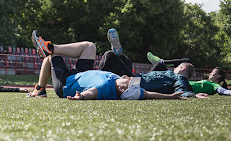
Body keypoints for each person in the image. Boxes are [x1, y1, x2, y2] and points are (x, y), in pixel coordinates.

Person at [28, 30, 183, 100]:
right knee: (90, 47)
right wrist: (170, 97)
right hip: (82, 74)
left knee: (52, 59)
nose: (130, 78)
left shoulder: (107, 86)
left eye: (128, 82)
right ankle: (49, 47)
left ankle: (39, 89)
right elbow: (148, 94)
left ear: (122, 89)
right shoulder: (120, 83)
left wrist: (81, 96)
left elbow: (93, 93)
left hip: (67, 83)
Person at [95, 30, 202, 98]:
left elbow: (181, 90)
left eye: (176, 67)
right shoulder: (172, 76)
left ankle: (95, 79)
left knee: (109, 55)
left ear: (182, 68)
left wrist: (192, 95)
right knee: (127, 61)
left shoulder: (180, 78)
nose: (174, 69)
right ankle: (117, 51)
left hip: (135, 82)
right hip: (138, 78)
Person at [148, 53, 231, 97]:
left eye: (213, 72)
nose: (210, 73)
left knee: (161, 65)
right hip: (178, 82)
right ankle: (160, 63)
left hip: (180, 85)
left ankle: (162, 62)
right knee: (159, 66)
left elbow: (221, 90)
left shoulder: (213, 85)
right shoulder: (206, 82)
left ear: (219, 76)